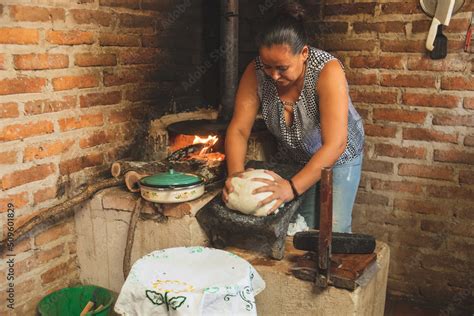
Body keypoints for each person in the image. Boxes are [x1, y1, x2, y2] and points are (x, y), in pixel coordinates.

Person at [222, 0, 364, 233]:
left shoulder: (327, 72)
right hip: (297, 156)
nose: (274, 76)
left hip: (340, 155)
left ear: (304, 53)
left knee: (334, 230)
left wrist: (291, 188)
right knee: (300, 227)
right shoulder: (255, 72)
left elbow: (336, 144)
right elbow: (238, 130)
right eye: (268, 66)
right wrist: (236, 177)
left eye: (282, 68)